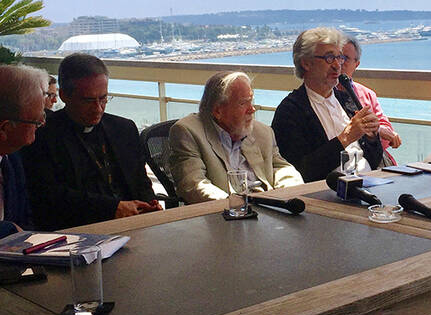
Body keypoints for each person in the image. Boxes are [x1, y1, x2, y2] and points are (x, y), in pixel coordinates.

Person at [23, 53, 161, 231]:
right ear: (64, 95)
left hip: (135, 226)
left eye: (103, 98)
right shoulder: (42, 135)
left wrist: (150, 204)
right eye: (88, 100)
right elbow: (48, 196)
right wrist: (113, 208)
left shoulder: (124, 128)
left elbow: (140, 181)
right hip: (78, 230)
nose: (98, 108)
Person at [169, 71, 303, 205]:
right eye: (243, 103)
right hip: (225, 215)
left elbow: (281, 167)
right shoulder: (188, 132)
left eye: (251, 101)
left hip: (270, 206)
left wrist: (288, 193)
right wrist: (237, 205)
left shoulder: (262, 132)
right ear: (218, 111)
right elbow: (193, 185)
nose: (252, 109)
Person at [271, 27, 383, 182]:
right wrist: (345, 138)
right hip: (328, 194)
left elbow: (374, 159)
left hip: (369, 182)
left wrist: (372, 137)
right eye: (329, 58)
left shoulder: (346, 99)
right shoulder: (290, 111)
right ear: (306, 63)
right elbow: (300, 171)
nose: (338, 66)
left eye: (340, 57)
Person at [0, 65, 49, 235]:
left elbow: (26, 220)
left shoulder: (11, 158)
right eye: (36, 121)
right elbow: (15, 228)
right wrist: (10, 230)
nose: (43, 124)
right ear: (5, 129)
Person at [338, 35, 401, 157]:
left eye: (345, 58)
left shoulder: (367, 94)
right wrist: (376, 130)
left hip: (373, 157)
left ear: (356, 64)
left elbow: (388, 132)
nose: (340, 63)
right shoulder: (325, 94)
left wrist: (379, 130)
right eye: (337, 57)